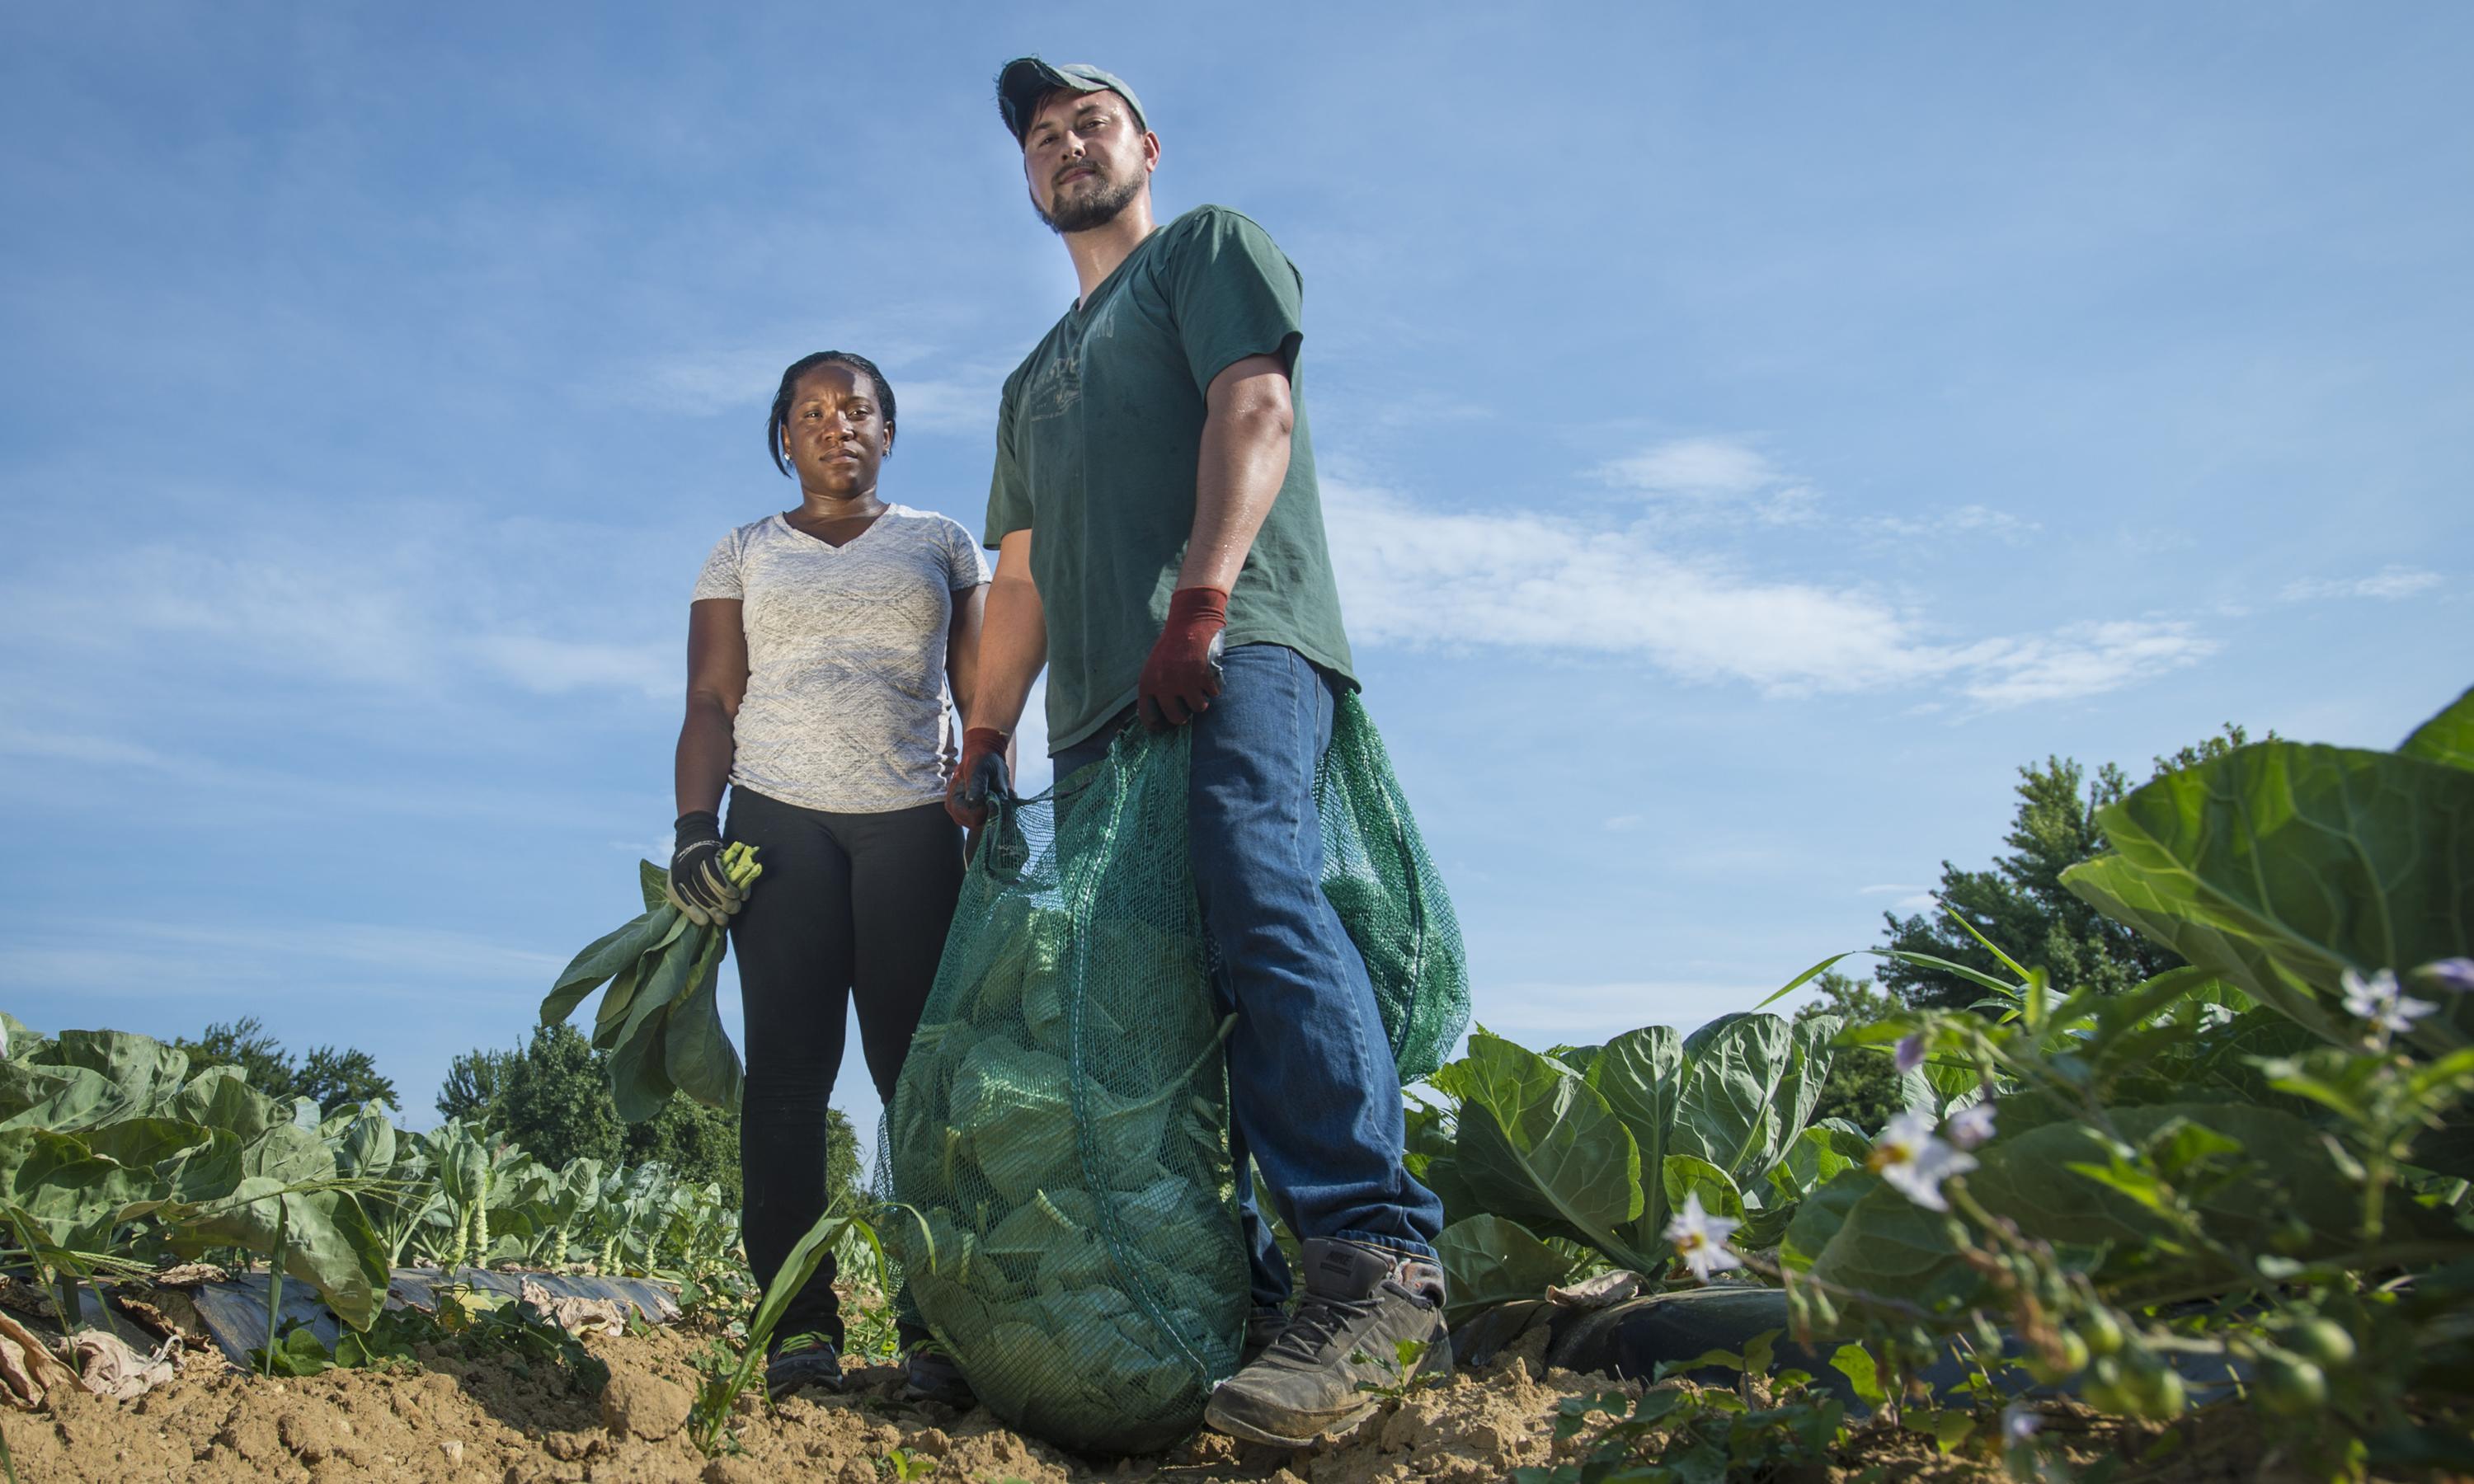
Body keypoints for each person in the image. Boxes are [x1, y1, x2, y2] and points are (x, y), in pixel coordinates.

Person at [947, 59, 1450, 1448]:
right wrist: (984, 732)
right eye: (1042, 139)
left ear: (1144, 143)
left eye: (1086, 123)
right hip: (1098, 718)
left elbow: (1255, 410)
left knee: (1256, 892)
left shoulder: (1207, 251)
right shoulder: (1029, 382)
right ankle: (1243, 1298)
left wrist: (1205, 599)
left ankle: (1378, 1260)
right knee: (1141, 1003)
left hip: (1235, 654)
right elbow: (1028, 575)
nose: (1064, 147)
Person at [670, 350, 993, 1403]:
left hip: (910, 826)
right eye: (811, 412)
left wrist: (987, 786)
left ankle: (937, 1328)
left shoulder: (940, 543)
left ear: (887, 432)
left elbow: (980, 694)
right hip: (779, 822)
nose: (835, 426)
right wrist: (692, 827)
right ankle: (799, 1331)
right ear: (784, 436)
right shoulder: (742, 552)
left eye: (856, 410)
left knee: (920, 1090)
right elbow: (714, 699)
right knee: (788, 1087)